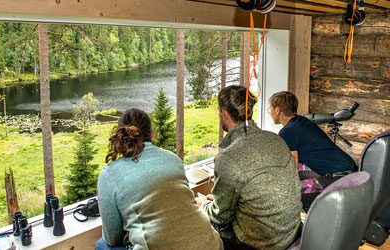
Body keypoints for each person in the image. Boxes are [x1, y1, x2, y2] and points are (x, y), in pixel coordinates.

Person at [96, 108, 223, 250]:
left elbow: (112, 238)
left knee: (102, 245)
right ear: (151, 134)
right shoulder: (172, 158)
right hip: (211, 243)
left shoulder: (109, 174)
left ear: (121, 135)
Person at [196, 86, 302, 250]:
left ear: (224, 114)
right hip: (292, 232)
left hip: (261, 243)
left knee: (199, 224)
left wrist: (204, 204)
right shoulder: (275, 139)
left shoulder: (228, 157)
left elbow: (220, 215)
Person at [268, 91, 357, 210]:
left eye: (270, 109)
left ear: (278, 110)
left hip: (338, 179)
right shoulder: (301, 121)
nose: (270, 113)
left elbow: (291, 168)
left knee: (288, 196)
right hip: (349, 171)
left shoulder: (288, 131)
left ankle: (302, 227)